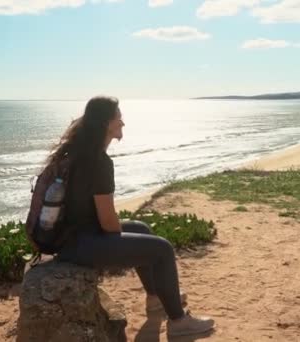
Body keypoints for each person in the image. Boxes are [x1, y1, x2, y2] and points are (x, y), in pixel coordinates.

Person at [47, 96, 215, 337]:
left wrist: (129, 239)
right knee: (162, 249)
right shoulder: (98, 162)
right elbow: (108, 223)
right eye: (119, 117)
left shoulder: (80, 154)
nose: (123, 123)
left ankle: (156, 299)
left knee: (142, 229)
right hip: (81, 245)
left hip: (70, 239)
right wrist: (123, 242)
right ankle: (178, 321)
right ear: (107, 124)